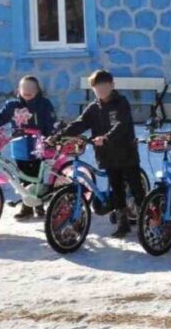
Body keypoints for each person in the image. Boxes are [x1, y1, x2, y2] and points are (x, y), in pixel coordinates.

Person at [60, 70, 146, 239]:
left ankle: (146, 219)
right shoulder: (93, 108)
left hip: (126, 154)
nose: (101, 91)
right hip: (107, 155)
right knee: (117, 188)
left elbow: (121, 124)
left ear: (112, 85)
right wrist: (60, 135)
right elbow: (80, 123)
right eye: (97, 88)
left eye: (104, 87)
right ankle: (123, 223)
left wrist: (106, 137)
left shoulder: (121, 103)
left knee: (136, 188)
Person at [0, 75, 56, 219]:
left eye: (31, 88)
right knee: (22, 177)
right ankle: (27, 208)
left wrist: (49, 139)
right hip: (20, 146)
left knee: (36, 177)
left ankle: (37, 205)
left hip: (39, 146)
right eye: (24, 88)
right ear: (18, 89)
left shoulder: (44, 104)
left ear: (37, 90)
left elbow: (50, 122)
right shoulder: (13, 105)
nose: (28, 91)